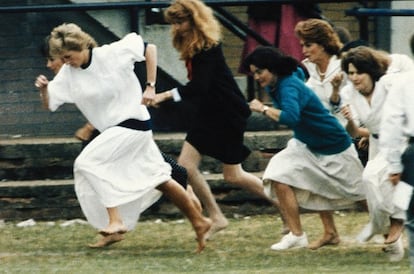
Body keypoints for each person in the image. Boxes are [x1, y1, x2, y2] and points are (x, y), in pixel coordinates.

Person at [34, 23, 211, 253]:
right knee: (160, 178)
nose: (66, 61)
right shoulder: (69, 73)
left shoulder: (111, 54)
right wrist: (44, 90)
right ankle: (200, 222)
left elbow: (150, 48)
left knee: (87, 164)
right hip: (114, 132)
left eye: (69, 56)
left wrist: (150, 86)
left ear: (83, 46)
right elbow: (50, 104)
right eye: (62, 58)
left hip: (133, 123)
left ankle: (116, 221)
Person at [151, 0, 286, 239]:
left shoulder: (207, 47)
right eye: (174, 23)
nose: (178, 28)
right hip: (211, 112)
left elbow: (200, 86)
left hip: (226, 113)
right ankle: (217, 217)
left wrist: (165, 95)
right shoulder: (194, 46)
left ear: (195, 20)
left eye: (181, 21)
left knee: (232, 175)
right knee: (188, 166)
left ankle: (285, 204)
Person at [243, 46, 365, 251]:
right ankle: (298, 235)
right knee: (278, 175)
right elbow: (299, 73)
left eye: (259, 72)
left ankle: (391, 231)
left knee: (362, 194)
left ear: (271, 68)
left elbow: (291, 117)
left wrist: (262, 108)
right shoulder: (281, 81)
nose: (256, 77)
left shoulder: (288, 86)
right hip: (305, 143)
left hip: (334, 145)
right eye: (254, 72)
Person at [339, 46, 406, 262]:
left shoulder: (387, 84)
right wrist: (350, 120)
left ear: (370, 72)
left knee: (379, 179)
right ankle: (390, 237)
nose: (354, 78)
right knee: (371, 184)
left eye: (359, 72)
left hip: (401, 140)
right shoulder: (348, 93)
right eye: (350, 73)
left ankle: (392, 226)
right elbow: (355, 131)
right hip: (378, 143)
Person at [380, 69, 414, 271]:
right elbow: (391, 124)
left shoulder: (405, 81)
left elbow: (391, 124)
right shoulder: (404, 81)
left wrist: (394, 165)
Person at [294, 18, 347, 126]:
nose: (304, 51)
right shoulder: (312, 72)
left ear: (322, 45)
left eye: (308, 45)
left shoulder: (344, 67)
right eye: (302, 46)